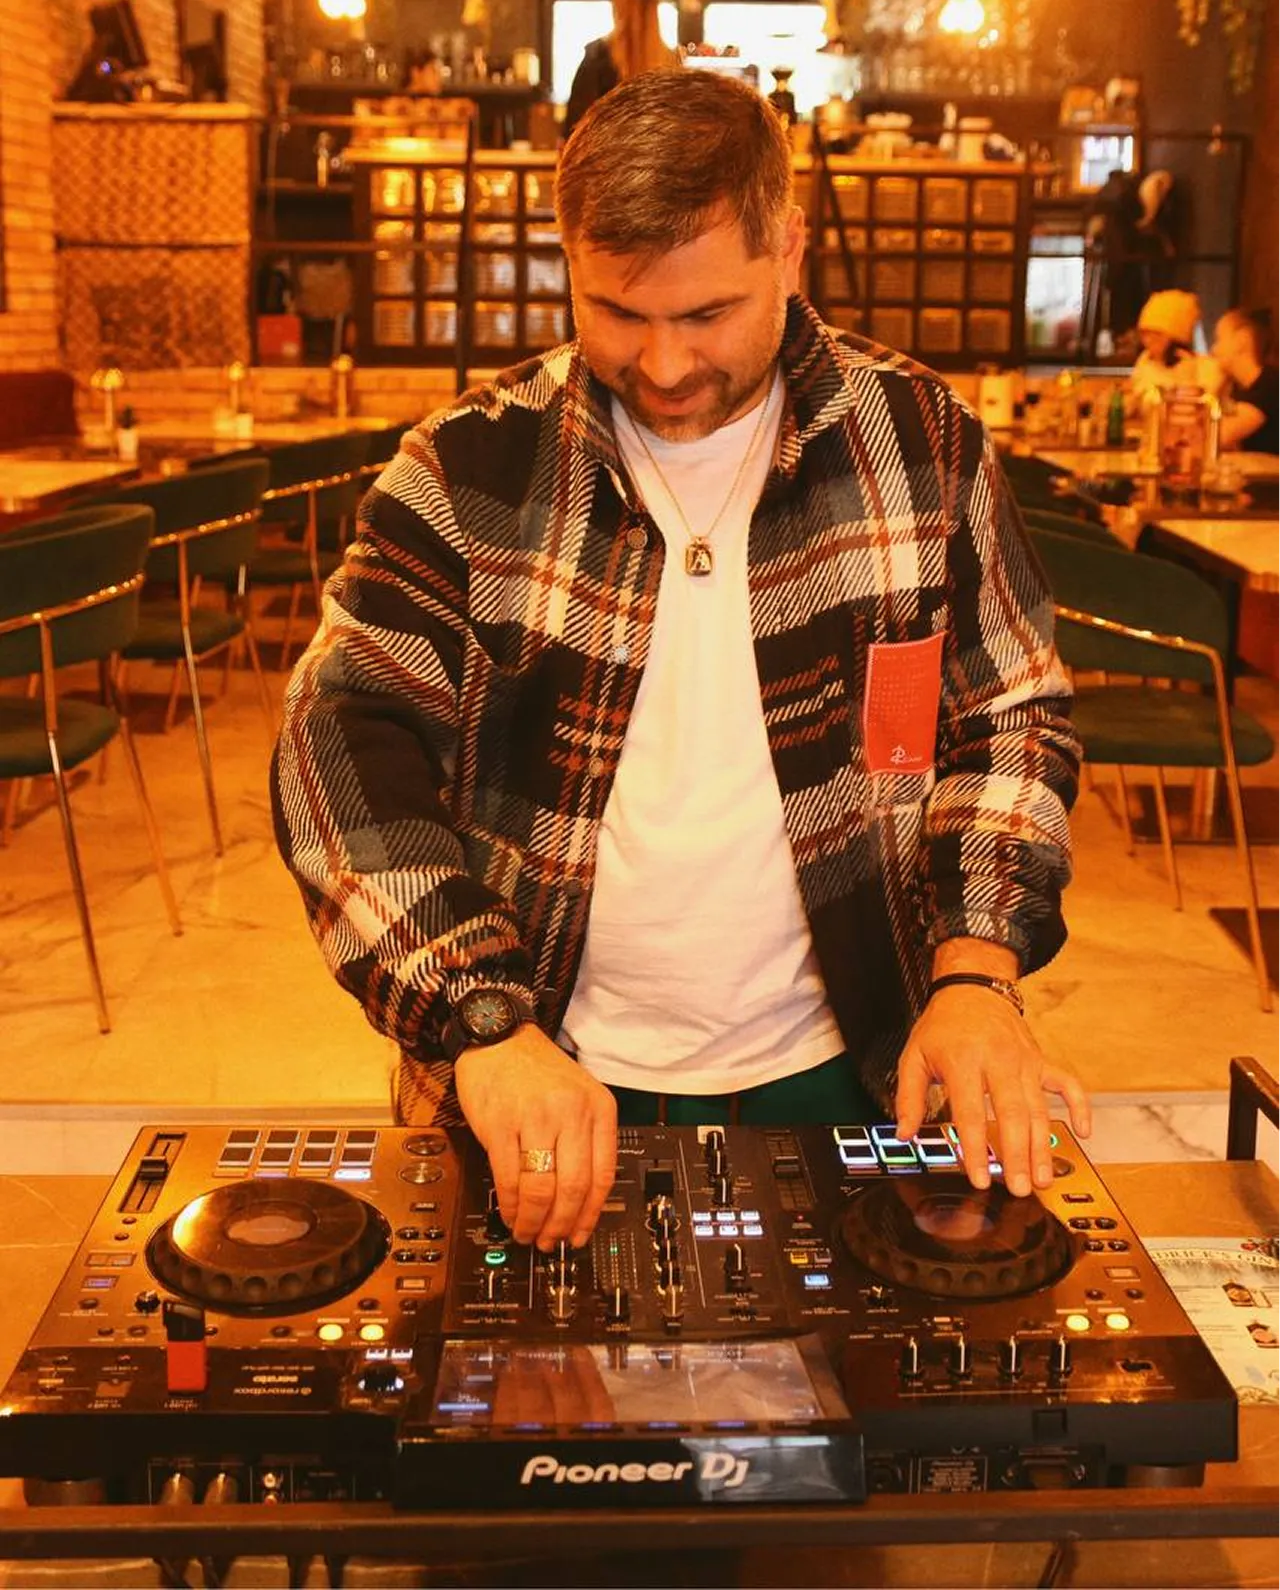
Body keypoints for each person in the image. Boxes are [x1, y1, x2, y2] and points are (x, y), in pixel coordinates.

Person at [271, 70, 1089, 1257]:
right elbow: (333, 752)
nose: (659, 366)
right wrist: (478, 1021)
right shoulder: (464, 472)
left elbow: (1005, 715)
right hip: (541, 1066)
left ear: (789, 248)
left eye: (704, 314)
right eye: (616, 312)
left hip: (854, 1057)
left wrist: (975, 974)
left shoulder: (917, 442)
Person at [561, 0, 678, 141]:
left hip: (606, 158)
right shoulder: (671, 65)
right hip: (658, 158)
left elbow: (575, 128)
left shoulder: (598, 57)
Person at [1210, 307, 1280, 454]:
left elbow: (1217, 437)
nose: (1214, 349)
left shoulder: (1269, 385)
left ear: (1241, 340)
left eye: (1219, 339)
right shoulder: (1238, 389)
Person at [1128, 289, 1209, 397]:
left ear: (1177, 338)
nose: (1148, 341)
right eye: (1145, 333)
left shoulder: (1201, 368)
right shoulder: (1144, 362)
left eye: (1157, 335)